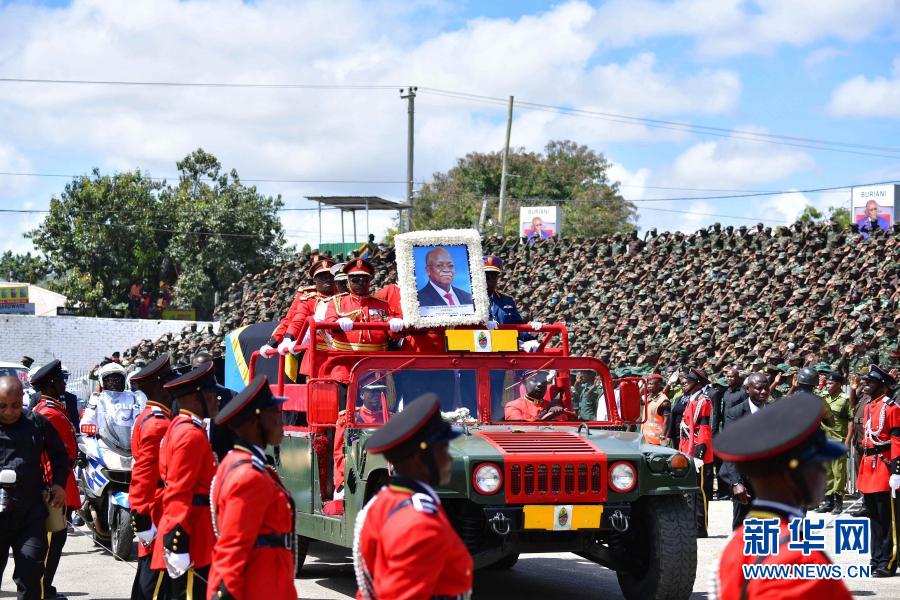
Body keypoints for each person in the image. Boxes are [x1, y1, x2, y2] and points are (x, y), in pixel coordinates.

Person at [711, 392, 851, 599]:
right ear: (792, 471)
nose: (823, 472)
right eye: (817, 463)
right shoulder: (796, 559)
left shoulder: (738, 542)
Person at [353, 393, 473, 599]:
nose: (449, 458)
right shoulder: (418, 523)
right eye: (443, 449)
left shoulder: (384, 503)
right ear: (420, 457)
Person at [207, 375, 295, 600]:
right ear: (257, 420)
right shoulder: (249, 476)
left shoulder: (239, 462)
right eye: (275, 413)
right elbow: (232, 547)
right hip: (259, 586)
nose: (281, 421)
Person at [152, 361, 220, 599]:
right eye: (211, 394)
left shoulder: (181, 427)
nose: (217, 399)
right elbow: (179, 492)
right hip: (192, 536)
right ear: (194, 399)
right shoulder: (190, 434)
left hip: (194, 530)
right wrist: (177, 541)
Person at [0, 376, 69, 600]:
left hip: (29, 514)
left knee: (31, 576)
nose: (9, 412)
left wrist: (59, 484)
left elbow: (60, 455)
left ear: (23, 399)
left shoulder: (37, 423)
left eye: (15, 405)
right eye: (2, 406)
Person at [127, 354, 177, 600]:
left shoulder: (150, 417)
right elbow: (144, 476)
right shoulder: (158, 424)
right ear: (159, 386)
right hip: (156, 507)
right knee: (154, 581)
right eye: (169, 380)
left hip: (154, 505)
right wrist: (142, 516)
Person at [29, 360, 79, 600]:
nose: (64, 384)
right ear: (50, 384)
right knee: (51, 540)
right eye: (60, 380)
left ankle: (44, 587)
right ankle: (42, 590)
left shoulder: (50, 407)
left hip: (57, 478)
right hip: (54, 481)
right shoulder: (49, 412)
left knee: (54, 539)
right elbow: (59, 452)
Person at [323, 259, 403, 384]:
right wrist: (337, 324)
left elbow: (392, 331)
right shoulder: (337, 302)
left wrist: (394, 324)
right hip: (345, 365)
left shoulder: (381, 304)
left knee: (378, 401)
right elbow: (329, 323)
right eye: (355, 280)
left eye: (365, 280)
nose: (360, 283)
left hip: (375, 366)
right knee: (344, 402)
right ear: (348, 282)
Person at [855, 364, 900, 577]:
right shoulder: (868, 406)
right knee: (873, 517)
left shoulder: (891, 408)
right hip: (869, 464)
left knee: (887, 517)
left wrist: (896, 470)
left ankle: (888, 561)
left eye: (870, 382)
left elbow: (897, 440)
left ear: (882, 386)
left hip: (885, 465)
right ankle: (875, 559)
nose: (865, 384)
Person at [718, 372, 770, 530]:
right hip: (744, 480)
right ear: (748, 389)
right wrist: (736, 483)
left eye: (766, 388)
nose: (764, 392)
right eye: (759, 388)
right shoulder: (735, 414)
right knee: (742, 525)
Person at [262, 257, 335, 358]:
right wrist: (274, 342)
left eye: (330, 276)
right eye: (322, 277)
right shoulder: (308, 297)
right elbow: (292, 320)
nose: (327, 279)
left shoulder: (345, 296)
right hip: (310, 348)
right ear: (315, 279)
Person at [678, 367, 713, 537]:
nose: (684, 384)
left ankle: (700, 526)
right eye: (683, 381)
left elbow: (704, 428)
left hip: (698, 449)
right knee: (690, 490)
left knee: (699, 490)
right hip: (687, 447)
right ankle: (692, 524)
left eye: (688, 382)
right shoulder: (691, 399)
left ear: (697, 384)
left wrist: (700, 452)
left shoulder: (703, 401)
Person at [483, 255, 541, 352]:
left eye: (494, 276)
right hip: (479, 354)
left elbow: (518, 329)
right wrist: (482, 325)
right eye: (486, 276)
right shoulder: (467, 300)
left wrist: (531, 332)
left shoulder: (506, 300)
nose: (490, 279)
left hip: (505, 354)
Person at [816, 371, 852, 515]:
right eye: (827, 383)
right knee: (827, 472)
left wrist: (848, 441)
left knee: (839, 473)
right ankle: (828, 502)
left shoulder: (845, 400)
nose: (828, 386)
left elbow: (850, 421)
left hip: (838, 441)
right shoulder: (824, 397)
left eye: (831, 383)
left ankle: (838, 503)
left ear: (839, 385)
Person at [504, 371, 572, 421]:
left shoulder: (553, 407)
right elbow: (518, 429)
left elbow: (565, 427)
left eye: (543, 380)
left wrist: (557, 413)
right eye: (534, 380)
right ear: (524, 382)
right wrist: (546, 414)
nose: (540, 384)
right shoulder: (513, 406)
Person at [641, 373, 670, 446]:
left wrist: (663, 439)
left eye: (651, 384)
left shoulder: (664, 401)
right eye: (648, 384)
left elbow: (667, 421)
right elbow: (636, 397)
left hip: (657, 442)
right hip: (645, 439)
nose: (648, 386)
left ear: (659, 384)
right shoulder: (648, 398)